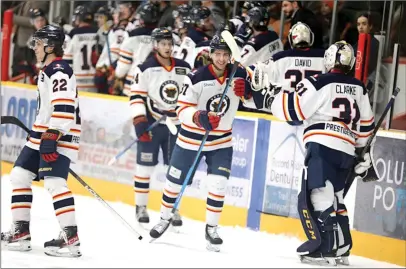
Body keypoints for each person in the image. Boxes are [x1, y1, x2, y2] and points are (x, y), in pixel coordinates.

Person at [251, 41, 375, 266]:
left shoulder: (318, 81)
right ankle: (342, 247)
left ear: (328, 60)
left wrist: (270, 99)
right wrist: (360, 151)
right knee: (336, 197)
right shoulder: (360, 87)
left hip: (322, 143)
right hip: (346, 147)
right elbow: (366, 126)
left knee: (318, 195)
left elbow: (294, 110)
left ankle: (325, 249)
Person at [149, 34, 253, 252]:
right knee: (174, 183)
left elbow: (255, 99)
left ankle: (211, 229)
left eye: (226, 54)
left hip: (221, 141)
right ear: (210, 54)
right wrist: (199, 117)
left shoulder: (240, 74)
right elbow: (182, 108)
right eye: (218, 54)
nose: (222, 59)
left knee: (218, 184)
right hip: (191, 139)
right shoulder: (195, 77)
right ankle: (164, 218)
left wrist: (249, 94)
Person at [1, 25, 82, 258]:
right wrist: (38, 134)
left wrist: (51, 135)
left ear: (50, 46)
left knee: (55, 182)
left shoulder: (59, 70)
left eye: (38, 43)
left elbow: (64, 108)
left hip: (60, 136)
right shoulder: (48, 70)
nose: (34, 47)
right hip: (44, 135)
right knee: (19, 175)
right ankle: (20, 231)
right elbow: (47, 111)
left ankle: (70, 237)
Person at [129, 27, 191, 226]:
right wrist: (140, 122)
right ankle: (141, 207)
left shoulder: (184, 68)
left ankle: (172, 208)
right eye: (163, 43)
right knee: (144, 167)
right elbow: (137, 96)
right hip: (152, 125)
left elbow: (191, 94)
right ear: (155, 45)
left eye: (169, 43)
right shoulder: (145, 68)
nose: (167, 47)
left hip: (176, 126)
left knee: (174, 169)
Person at [252, 22, 325, 93]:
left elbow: (259, 73)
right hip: (316, 103)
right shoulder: (324, 56)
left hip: (287, 103)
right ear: (310, 37)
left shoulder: (279, 57)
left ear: (291, 39)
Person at [111, 2, 159, 96]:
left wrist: (118, 76)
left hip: (132, 85)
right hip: (154, 86)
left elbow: (123, 66)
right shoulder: (164, 37)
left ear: (141, 19)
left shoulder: (131, 35)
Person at [63, 5, 99, 93]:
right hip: (95, 82)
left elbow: (67, 61)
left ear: (79, 18)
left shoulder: (73, 34)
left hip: (78, 82)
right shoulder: (98, 33)